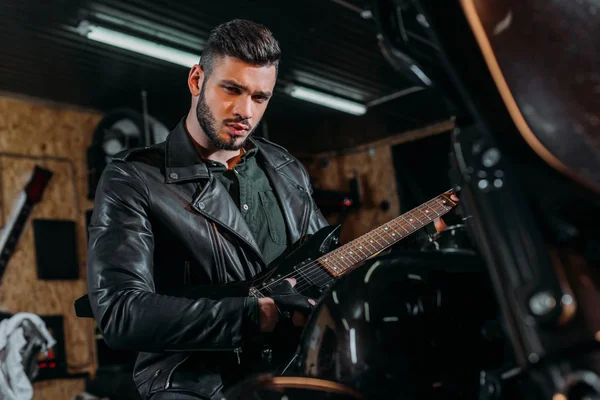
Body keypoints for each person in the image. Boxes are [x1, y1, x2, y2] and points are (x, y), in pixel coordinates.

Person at [86, 19, 456, 400]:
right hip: (196, 385)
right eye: (232, 89)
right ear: (197, 81)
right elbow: (120, 313)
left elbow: (324, 267)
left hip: (294, 370)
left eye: (260, 97)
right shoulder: (134, 178)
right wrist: (252, 314)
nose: (245, 111)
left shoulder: (284, 167)